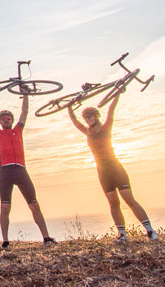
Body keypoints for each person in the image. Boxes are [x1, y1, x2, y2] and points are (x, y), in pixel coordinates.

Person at [68, 92, 158, 241]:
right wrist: (69, 107)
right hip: (102, 172)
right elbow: (74, 121)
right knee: (113, 203)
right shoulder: (87, 132)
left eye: (91, 116)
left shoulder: (106, 127)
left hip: (116, 168)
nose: (88, 119)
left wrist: (118, 93)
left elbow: (111, 109)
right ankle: (122, 234)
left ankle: (150, 231)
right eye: (86, 117)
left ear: (97, 116)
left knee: (129, 200)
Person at [0, 92, 56, 249]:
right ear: (0, 121)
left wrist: (25, 95)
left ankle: (46, 237)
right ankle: (6, 241)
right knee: (5, 207)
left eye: (9, 118)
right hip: (5, 172)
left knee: (34, 205)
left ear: (12, 120)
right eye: (3, 119)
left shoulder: (18, 130)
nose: (6, 120)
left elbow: (24, 112)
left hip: (21, 171)